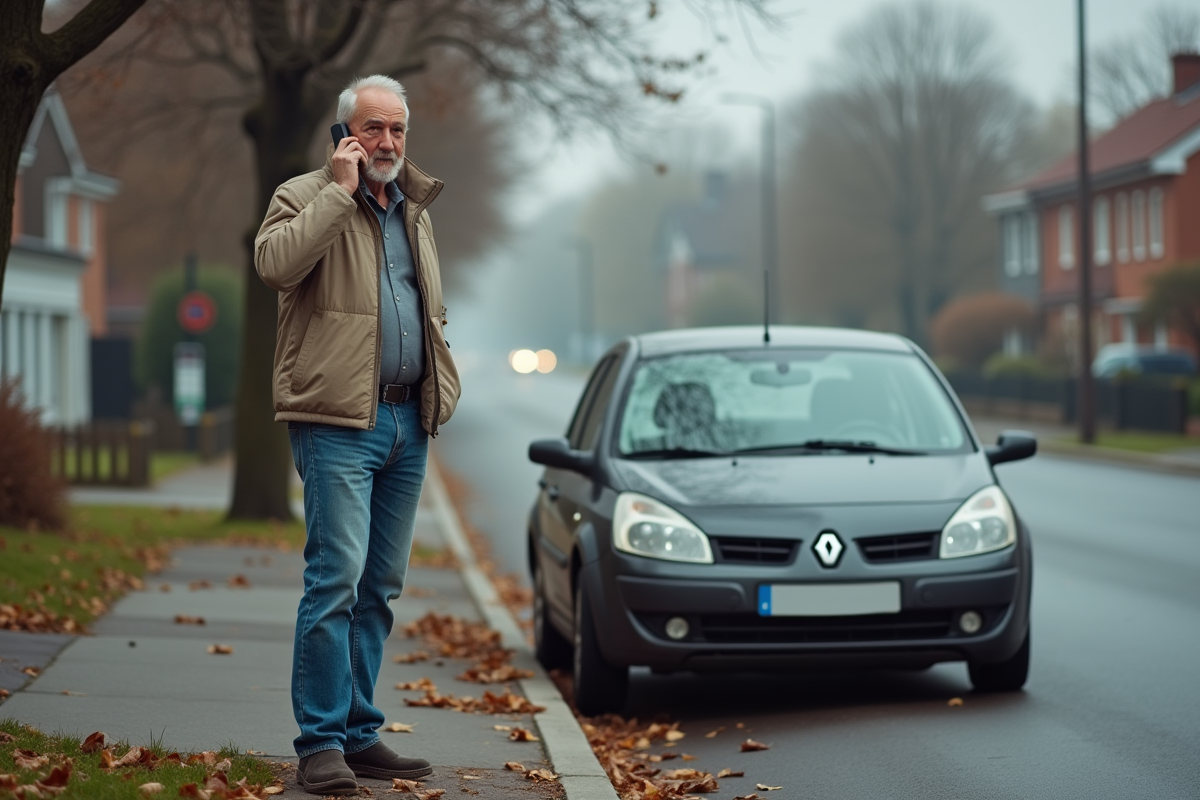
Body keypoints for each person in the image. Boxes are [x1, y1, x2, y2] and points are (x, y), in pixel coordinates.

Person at [255, 74, 460, 796]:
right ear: (343, 135)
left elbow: (425, 310)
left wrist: (443, 387)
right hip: (338, 420)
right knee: (334, 580)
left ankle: (358, 732)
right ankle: (318, 743)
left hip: (408, 420)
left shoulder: (415, 210)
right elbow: (276, 266)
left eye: (398, 129)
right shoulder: (302, 195)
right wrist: (337, 195)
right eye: (373, 128)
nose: (388, 143)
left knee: (379, 587)